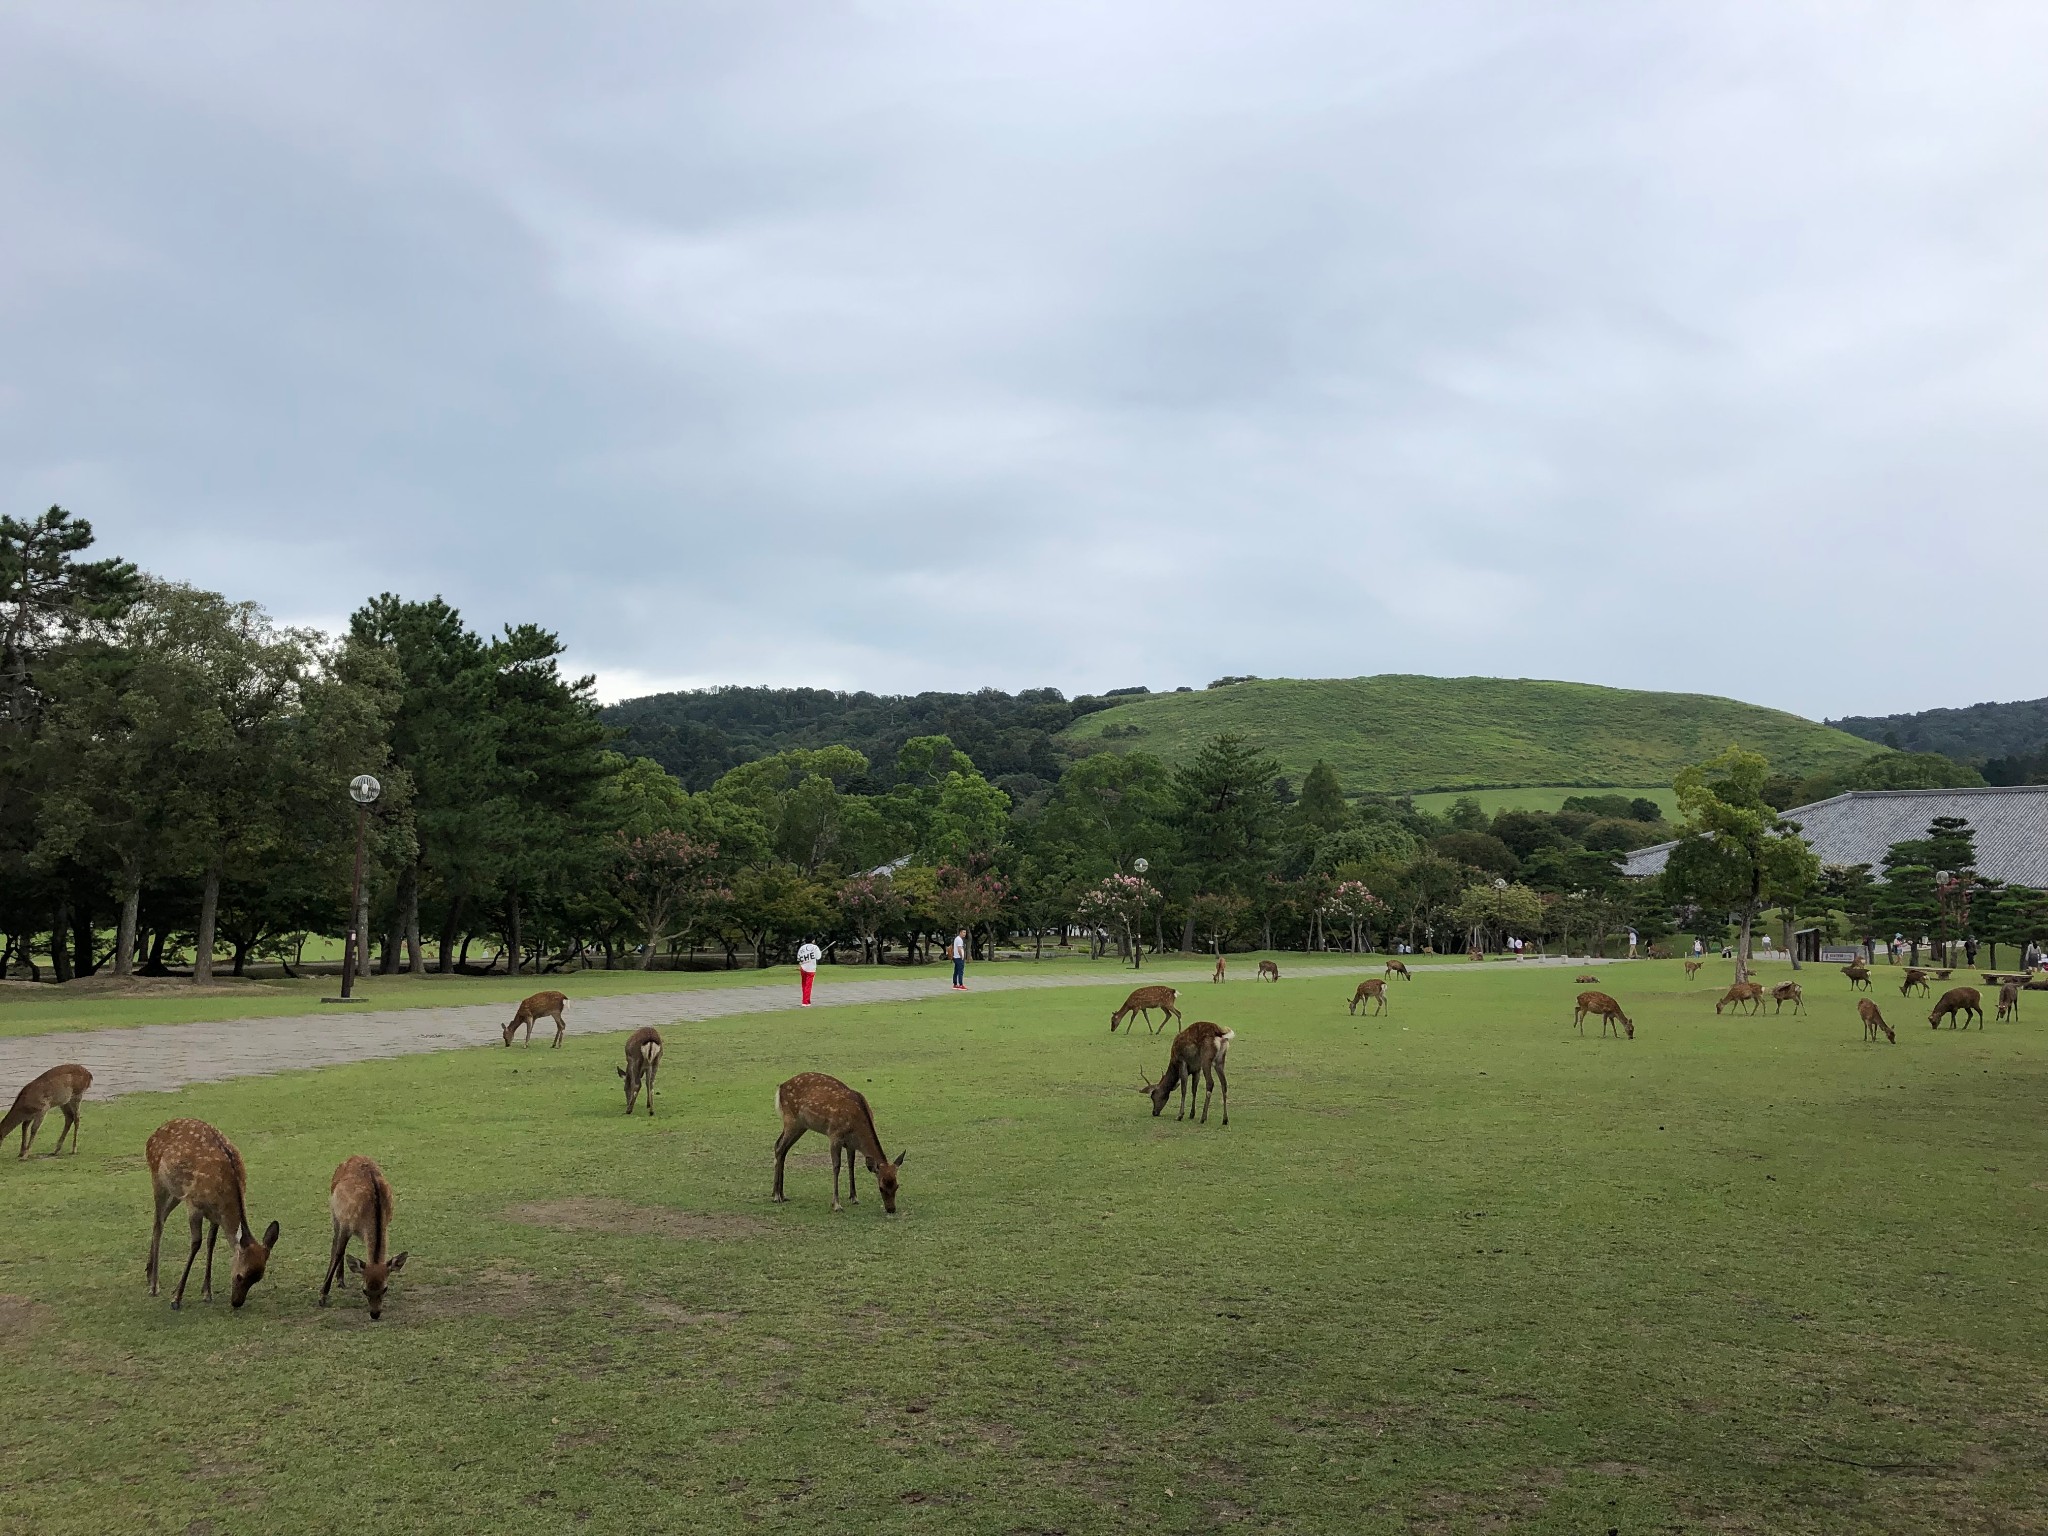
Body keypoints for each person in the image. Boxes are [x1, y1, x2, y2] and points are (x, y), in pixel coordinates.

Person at [796, 937, 822, 1007]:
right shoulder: (815, 947)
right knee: (808, 986)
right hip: (811, 969)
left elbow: (798, 958)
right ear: (813, 940)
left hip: (803, 968)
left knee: (804, 985)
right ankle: (805, 1002)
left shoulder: (801, 948)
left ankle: (806, 1000)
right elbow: (818, 957)